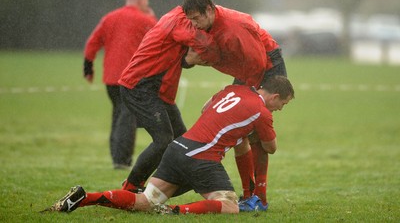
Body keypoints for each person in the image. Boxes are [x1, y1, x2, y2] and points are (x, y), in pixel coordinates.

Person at [43, 76, 294, 215]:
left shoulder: (233, 88)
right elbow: (270, 148)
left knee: (145, 201)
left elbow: (206, 108)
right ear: (274, 96)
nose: (280, 109)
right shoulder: (262, 112)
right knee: (229, 205)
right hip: (202, 158)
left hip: (178, 148)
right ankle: (174, 211)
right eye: (282, 104)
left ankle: (86, 198)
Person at [181, 0, 287, 209]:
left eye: (196, 18)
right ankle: (249, 195)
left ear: (209, 10)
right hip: (247, 67)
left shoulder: (233, 27)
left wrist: (239, 95)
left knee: (257, 132)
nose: (194, 24)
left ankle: (260, 198)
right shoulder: (207, 24)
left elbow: (257, 63)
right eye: (190, 20)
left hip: (267, 66)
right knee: (240, 132)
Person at [117, 0, 220, 192]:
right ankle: (131, 187)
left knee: (182, 142)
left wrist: (195, 59)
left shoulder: (179, 19)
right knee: (163, 139)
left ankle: (173, 186)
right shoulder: (179, 21)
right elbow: (204, 44)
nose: (198, 24)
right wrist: (223, 42)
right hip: (140, 87)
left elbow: (181, 58)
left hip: (159, 92)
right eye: (196, 19)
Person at [83, 0, 157, 169]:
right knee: (128, 116)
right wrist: (152, 16)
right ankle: (122, 161)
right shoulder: (144, 19)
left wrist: (88, 67)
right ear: (140, 1)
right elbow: (160, 35)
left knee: (118, 115)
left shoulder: (109, 18)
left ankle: (116, 156)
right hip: (131, 78)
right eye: (146, 1)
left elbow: (92, 43)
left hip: (110, 79)